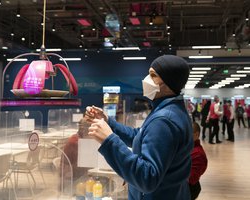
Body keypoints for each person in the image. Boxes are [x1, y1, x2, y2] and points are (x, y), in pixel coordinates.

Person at [86, 55, 193, 200]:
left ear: (168, 82)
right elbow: (141, 136)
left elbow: (147, 178)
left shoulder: (163, 120)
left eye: (153, 75)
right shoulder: (171, 110)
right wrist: (109, 123)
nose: (146, 79)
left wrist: (109, 141)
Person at [189, 122, 208, 200]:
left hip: (189, 190)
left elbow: (192, 179)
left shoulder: (198, 154)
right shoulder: (190, 148)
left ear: (196, 134)